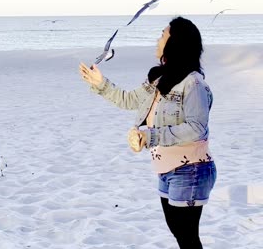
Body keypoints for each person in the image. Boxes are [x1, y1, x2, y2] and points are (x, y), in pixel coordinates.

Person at [79, 17, 217, 249]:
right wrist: (101, 83)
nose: (158, 39)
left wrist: (150, 136)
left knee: (187, 237)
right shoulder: (158, 78)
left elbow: (196, 128)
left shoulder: (194, 84)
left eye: (163, 35)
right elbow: (129, 100)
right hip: (166, 169)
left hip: (191, 169)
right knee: (178, 232)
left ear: (176, 42)